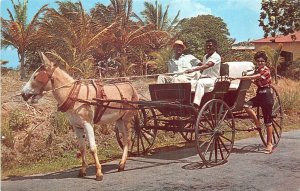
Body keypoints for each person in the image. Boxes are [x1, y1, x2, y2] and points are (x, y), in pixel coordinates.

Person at [233, 51, 274, 154]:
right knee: (246, 106)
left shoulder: (266, 71)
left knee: (268, 122)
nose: (260, 63)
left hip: (267, 96)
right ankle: (257, 124)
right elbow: (251, 76)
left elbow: (253, 77)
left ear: (265, 62)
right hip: (259, 95)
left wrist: (238, 78)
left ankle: (269, 144)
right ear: (256, 61)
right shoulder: (257, 69)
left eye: (262, 61)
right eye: (258, 61)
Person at [185, 39, 221, 105]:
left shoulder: (216, 56)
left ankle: (196, 104)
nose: (208, 47)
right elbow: (203, 66)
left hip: (212, 79)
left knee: (200, 83)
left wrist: (193, 70)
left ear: (215, 47)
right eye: (206, 46)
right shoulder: (205, 56)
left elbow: (207, 65)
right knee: (188, 83)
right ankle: (186, 103)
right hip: (203, 78)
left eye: (210, 46)